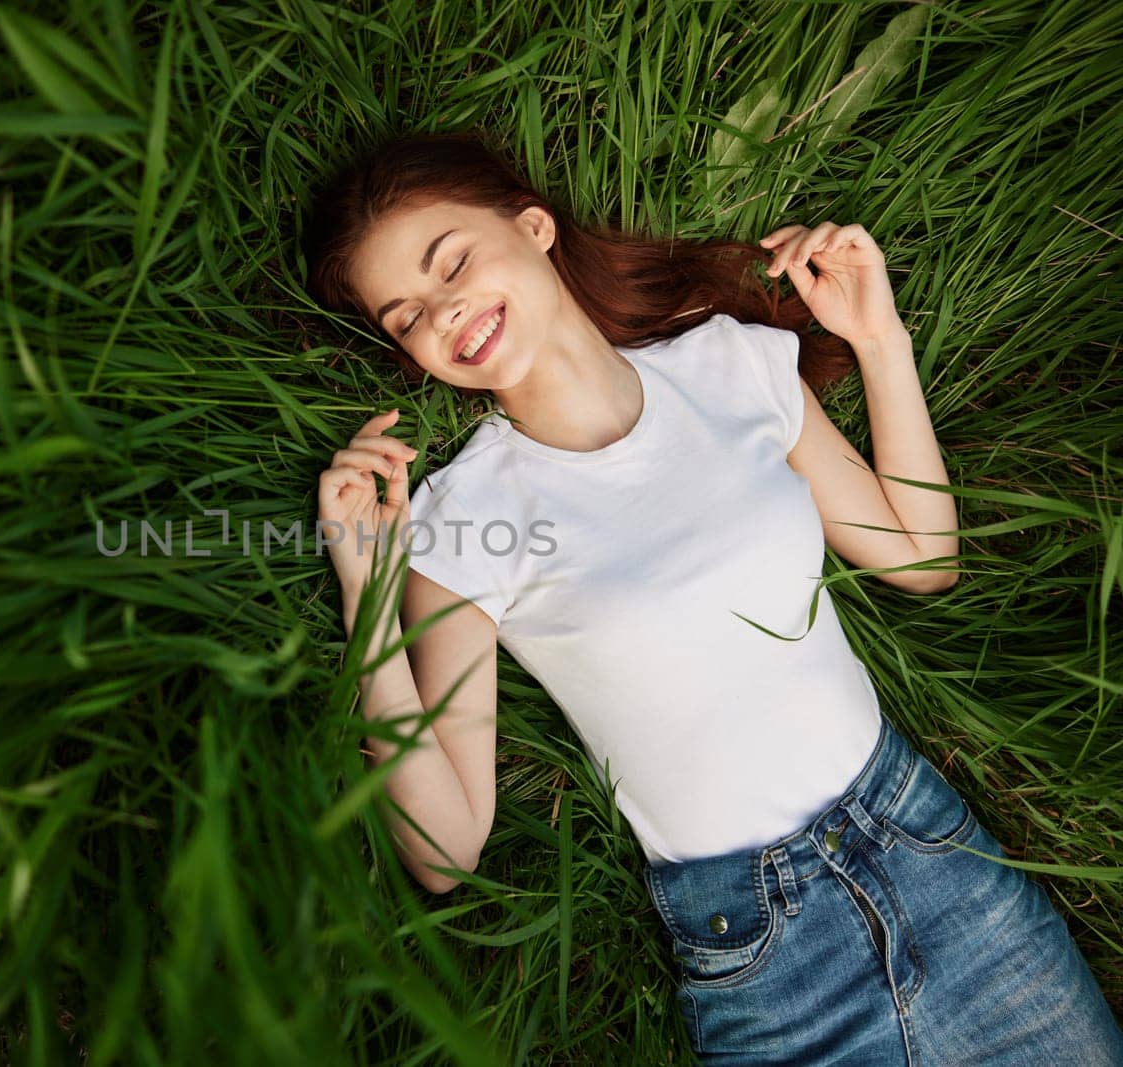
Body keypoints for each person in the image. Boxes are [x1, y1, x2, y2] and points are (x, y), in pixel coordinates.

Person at [302, 129, 1123, 1065]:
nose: (445, 313)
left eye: (451, 262)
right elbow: (445, 848)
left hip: (936, 856)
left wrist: (879, 338)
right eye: (406, 316)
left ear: (532, 226)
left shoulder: (730, 364)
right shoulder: (465, 520)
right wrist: (364, 586)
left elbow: (922, 557)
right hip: (767, 958)